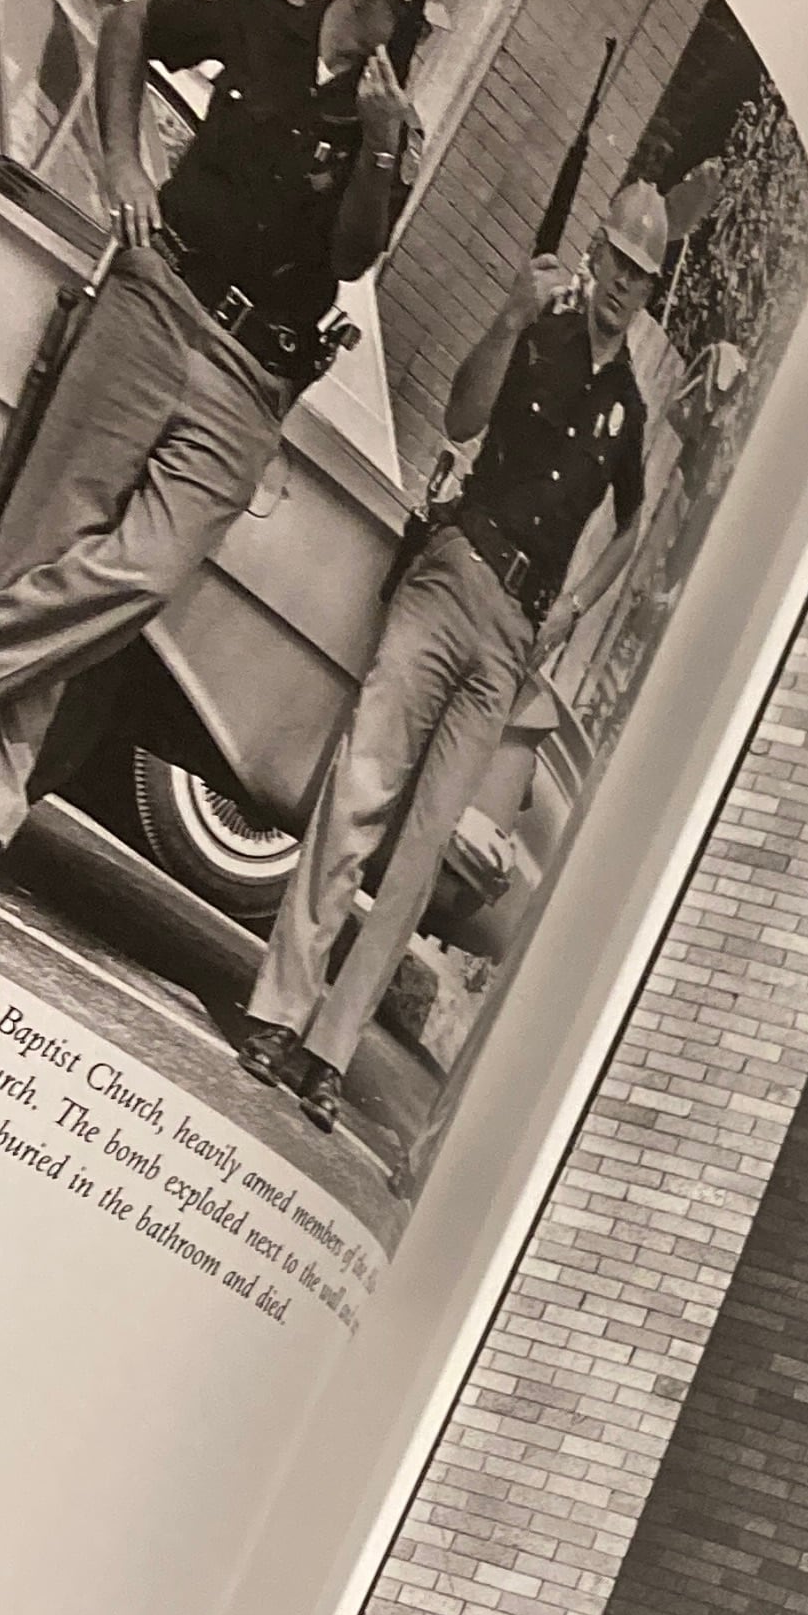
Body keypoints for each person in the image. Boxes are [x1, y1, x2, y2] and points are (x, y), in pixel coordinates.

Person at [0, 0, 444, 890]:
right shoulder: (256, 21)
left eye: (404, 13)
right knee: (45, 540)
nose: (394, 26)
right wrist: (122, 165)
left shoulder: (391, 126)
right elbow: (128, 27)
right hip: (155, 301)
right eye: (392, 3)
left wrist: (376, 144)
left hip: (252, 370)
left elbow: (354, 256)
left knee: (144, 572)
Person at [236, 173, 683, 1131]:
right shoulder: (538, 331)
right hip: (454, 576)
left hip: (516, 631)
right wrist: (507, 319)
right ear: (594, 252)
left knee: (426, 845)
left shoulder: (629, 409)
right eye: (616, 261)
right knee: (362, 790)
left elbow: (634, 525)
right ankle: (277, 1014)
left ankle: (329, 1052)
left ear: (651, 290)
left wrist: (573, 610)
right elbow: (461, 419)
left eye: (640, 275)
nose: (621, 284)